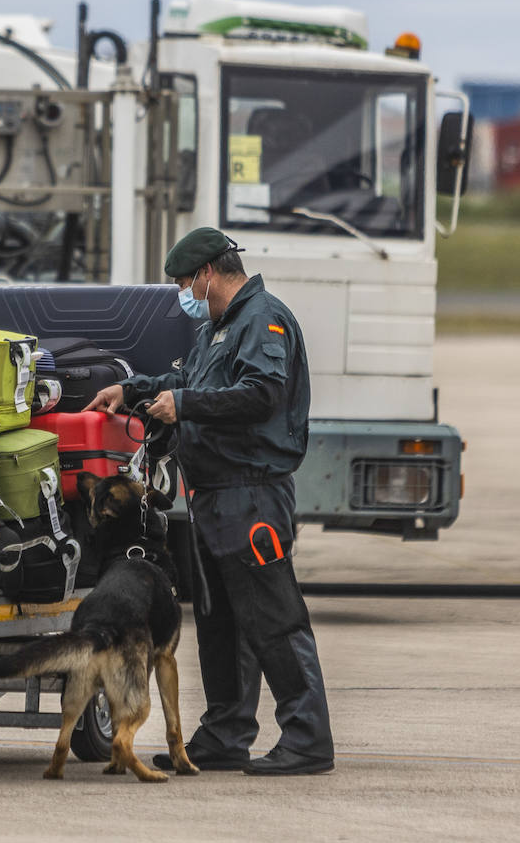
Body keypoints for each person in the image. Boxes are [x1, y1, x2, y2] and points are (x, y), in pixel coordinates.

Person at [83, 227, 334, 776]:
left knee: (274, 618)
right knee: (222, 623)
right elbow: (187, 380)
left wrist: (188, 403)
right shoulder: (217, 329)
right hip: (214, 498)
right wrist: (135, 391)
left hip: (252, 495)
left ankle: (308, 736)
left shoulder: (262, 320)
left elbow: (262, 394)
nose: (182, 291)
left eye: (183, 281)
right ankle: (225, 733)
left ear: (207, 274)